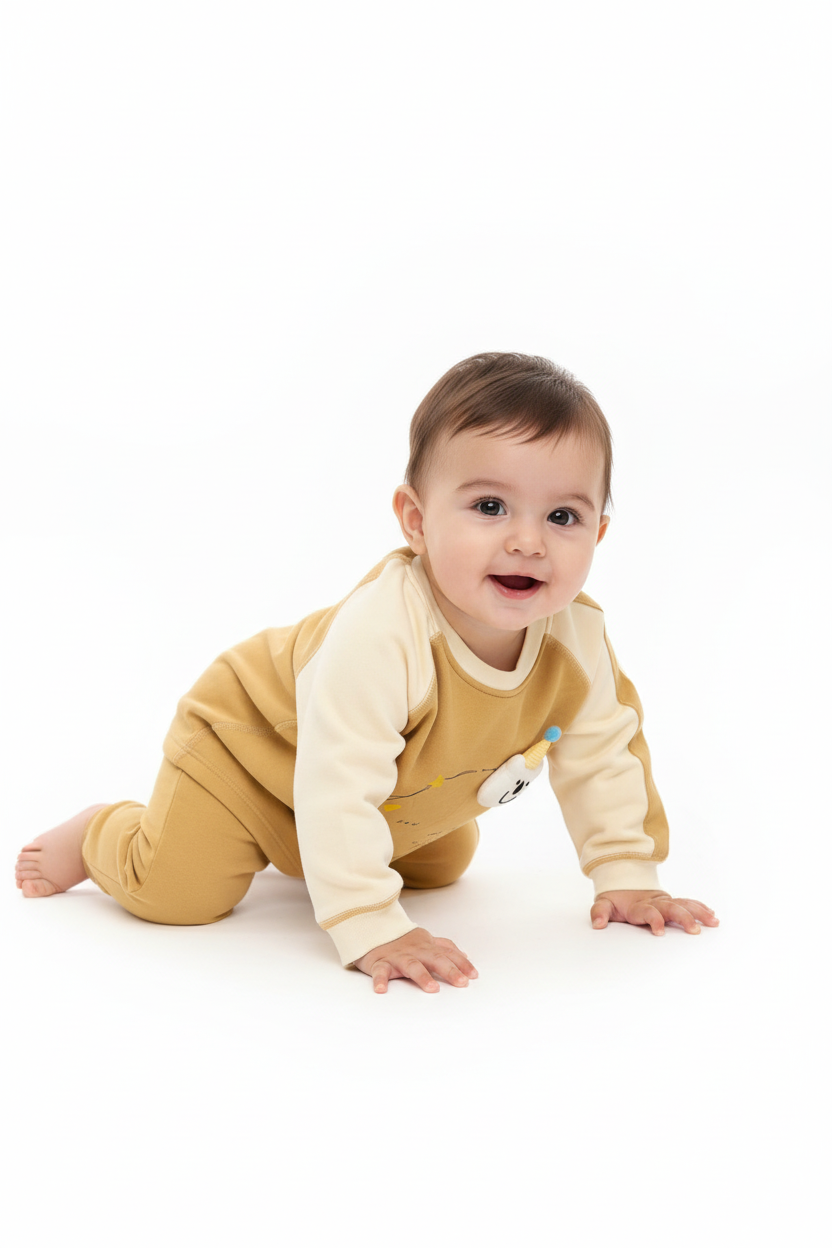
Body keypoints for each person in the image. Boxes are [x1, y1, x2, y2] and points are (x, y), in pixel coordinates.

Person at [14, 352, 719, 992]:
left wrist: (628, 874)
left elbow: (603, 755)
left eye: (562, 515)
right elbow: (337, 775)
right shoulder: (383, 632)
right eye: (489, 506)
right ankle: (102, 833)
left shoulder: (579, 636)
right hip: (251, 755)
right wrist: (371, 923)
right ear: (415, 519)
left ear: (597, 533)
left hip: (391, 791)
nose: (527, 541)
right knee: (178, 894)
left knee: (442, 867)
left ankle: (324, 852)